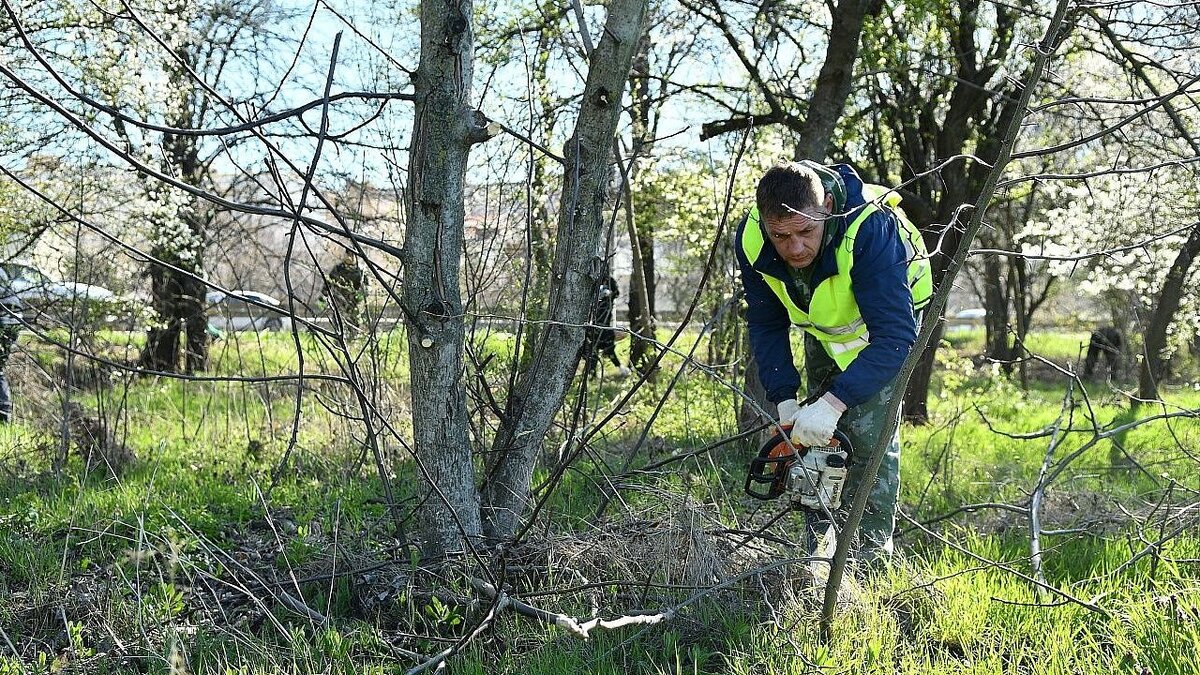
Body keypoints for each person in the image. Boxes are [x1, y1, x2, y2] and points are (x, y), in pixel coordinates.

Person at [734, 160, 932, 560]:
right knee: (813, 436)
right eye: (781, 236)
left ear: (826, 205)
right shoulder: (752, 237)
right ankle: (818, 554)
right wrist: (785, 399)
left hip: (885, 333)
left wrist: (835, 402)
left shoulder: (870, 229)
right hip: (825, 328)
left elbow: (895, 337)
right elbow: (766, 323)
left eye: (806, 230)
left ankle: (868, 562)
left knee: (866, 437)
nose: (795, 248)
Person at [580, 274, 627, 376]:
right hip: (592, 329)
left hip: (594, 331)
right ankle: (589, 375)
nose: (620, 335)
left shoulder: (608, 335)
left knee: (592, 357)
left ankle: (589, 375)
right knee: (592, 357)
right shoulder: (607, 330)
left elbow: (610, 352)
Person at [320, 251, 368, 330]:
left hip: (355, 304)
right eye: (348, 254)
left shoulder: (361, 270)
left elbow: (367, 288)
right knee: (339, 326)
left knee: (354, 326)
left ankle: (353, 340)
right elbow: (328, 283)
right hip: (339, 302)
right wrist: (324, 296)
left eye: (352, 255)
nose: (349, 257)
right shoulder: (338, 269)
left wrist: (361, 296)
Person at [0, 266, 24, 423]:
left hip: (3, 318)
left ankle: (3, 413)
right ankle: (5, 412)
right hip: (13, 319)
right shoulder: (1, 272)